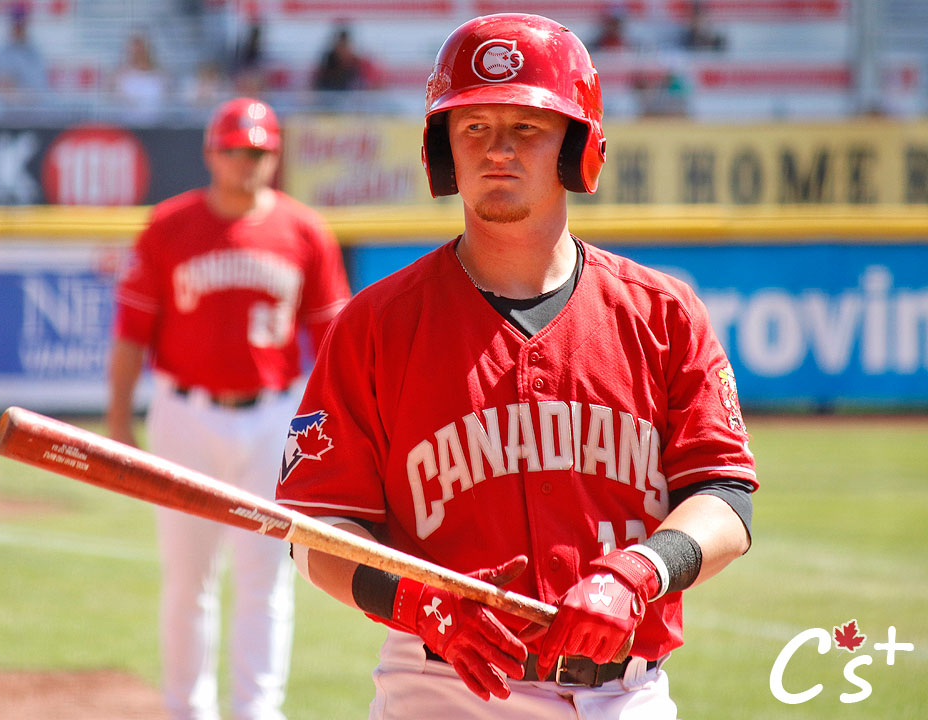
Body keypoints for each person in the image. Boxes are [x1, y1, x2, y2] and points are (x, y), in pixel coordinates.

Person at [275, 13, 757, 719]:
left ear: (576, 147)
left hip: (628, 691)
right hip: (443, 688)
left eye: (527, 127)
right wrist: (415, 600)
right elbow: (317, 534)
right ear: (443, 150)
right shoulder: (375, 324)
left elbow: (727, 499)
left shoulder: (663, 312)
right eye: (472, 128)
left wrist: (638, 572)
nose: (497, 149)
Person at [107, 97, 351, 720]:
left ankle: (255, 712)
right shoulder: (170, 225)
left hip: (274, 416)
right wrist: (116, 423)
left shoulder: (304, 231)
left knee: (265, 580)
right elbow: (132, 333)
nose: (249, 162)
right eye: (237, 150)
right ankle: (188, 710)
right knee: (188, 580)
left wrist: (337, 432)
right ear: (212, 152)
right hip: (183, 412)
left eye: (261, 151)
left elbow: (333, 346)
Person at [0, 3, 48, 105]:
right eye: (16, 24)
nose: (19, 28)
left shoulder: (34, 52)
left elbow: (39, 89)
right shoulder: (2, 54)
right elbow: (2, 89)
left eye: (21, 24)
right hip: (7, 113)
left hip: (34, 112)